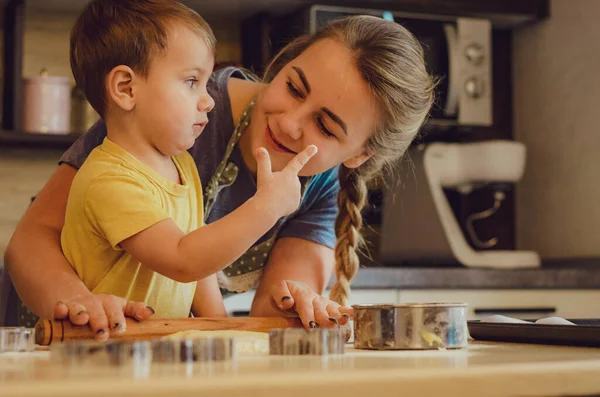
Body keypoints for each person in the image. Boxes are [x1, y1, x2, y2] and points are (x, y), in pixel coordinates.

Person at [4, 12, 435, 339]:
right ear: (284, 62)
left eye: (325, 126)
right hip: (50, 330)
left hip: (138, 347)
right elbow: (30, 242)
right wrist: (80, 304)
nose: (289, 123)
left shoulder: (318, 186)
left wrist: (298, 305)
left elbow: (273, 304)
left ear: (359, 155)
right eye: (294, 87)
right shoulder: (178, 109)